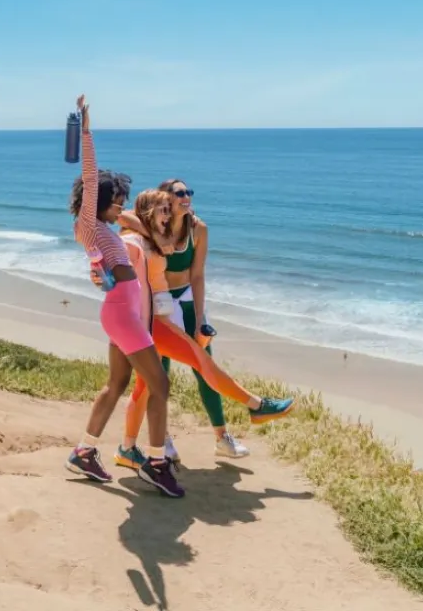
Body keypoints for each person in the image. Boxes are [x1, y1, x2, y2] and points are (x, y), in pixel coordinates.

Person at [112, 183, 295, 471]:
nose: (187, 198)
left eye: (188, 193)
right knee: (155, 378)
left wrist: (200, 320)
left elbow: (197, 276)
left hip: (175, 305)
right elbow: (122, 219)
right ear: (164, 202)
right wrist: (154, 234)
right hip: (153, 313)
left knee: (198, 366)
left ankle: (221, 436)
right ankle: (158, 441)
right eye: (179, 194)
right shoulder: (143, 233)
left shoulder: (196, 229)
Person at [65, 95, 184, 498]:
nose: (120, 208)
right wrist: (85, 128)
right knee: (160, 385)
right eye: (115, 203)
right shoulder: (89, 225)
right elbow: (92, 178)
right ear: (97, 202)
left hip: (120, 309)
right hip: (122, 314)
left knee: (116, 385)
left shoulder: (104, 231)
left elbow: (138, 236)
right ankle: (155, 462)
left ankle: (84, 451)